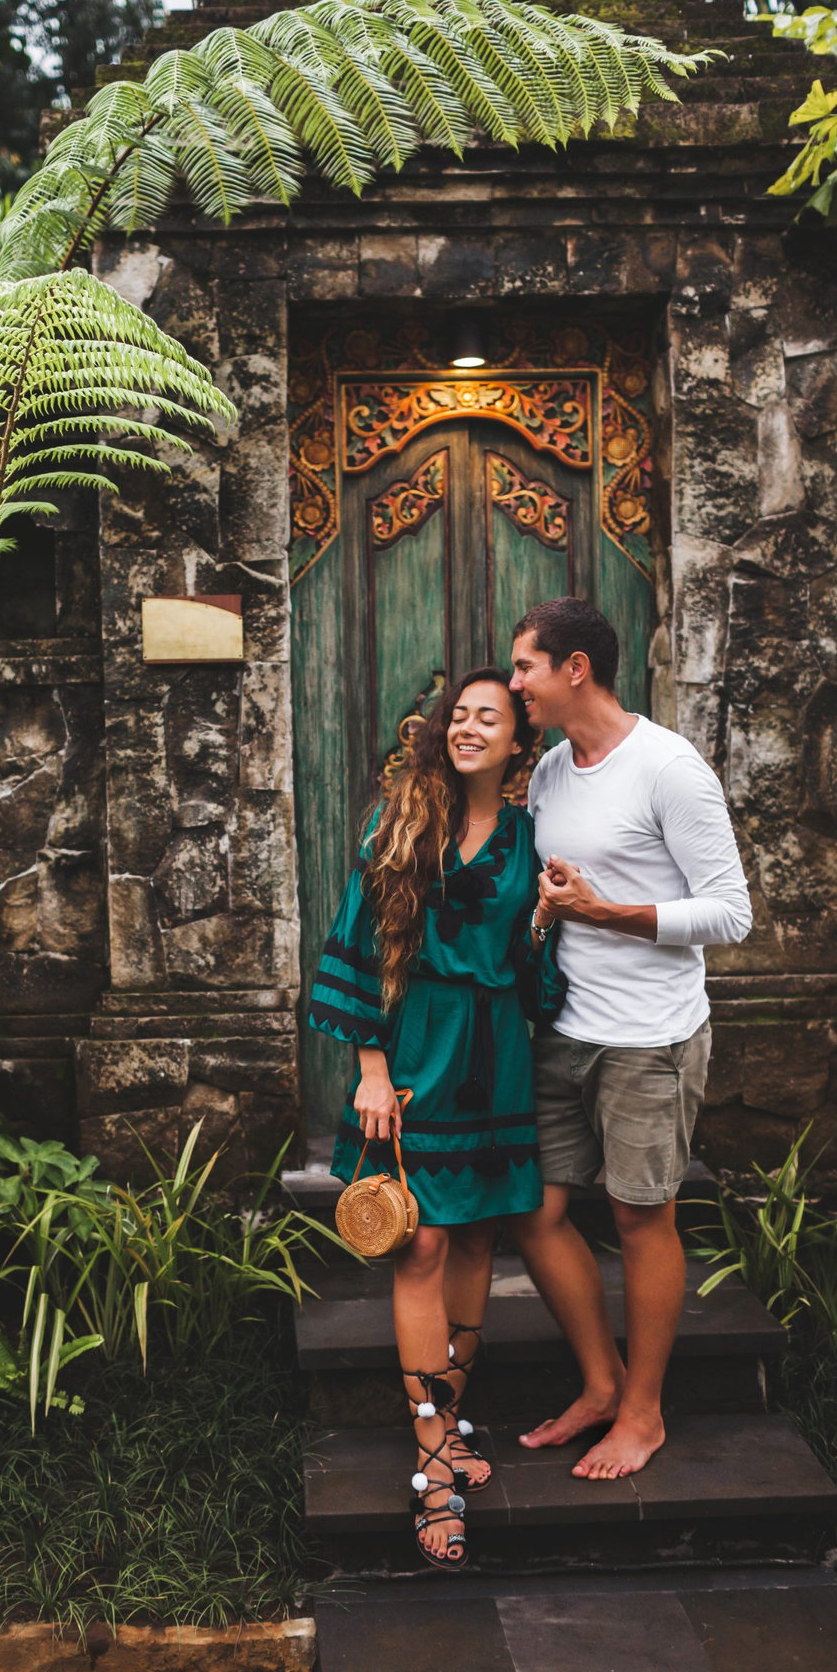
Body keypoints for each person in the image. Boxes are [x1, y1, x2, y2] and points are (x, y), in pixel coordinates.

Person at [309, 667, 564, 1570]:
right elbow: (354, 939)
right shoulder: (404, 820)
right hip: (412, 1052)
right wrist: (369, 1068)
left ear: (515, 743)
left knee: (475, 1245)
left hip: (493, 1060)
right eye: (458, 714)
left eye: (488, 717)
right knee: (416, 1244)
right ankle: (431, 1461)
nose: (468, 728)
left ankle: (449, 1425)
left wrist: (541, 922)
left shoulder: (532, 836)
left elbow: (536, 984)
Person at [508, 597, 752, 1481]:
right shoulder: (549, 771)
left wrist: (606, 911)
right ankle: (602, 1382)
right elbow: (554, 891)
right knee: (533, 1214)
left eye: (526, 665)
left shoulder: (669, 767)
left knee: (642, 1216)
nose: (514, 682)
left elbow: (731, 912)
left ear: (576, 669)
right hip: (564, 1028)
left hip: (649, 1037)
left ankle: (644, 1415)